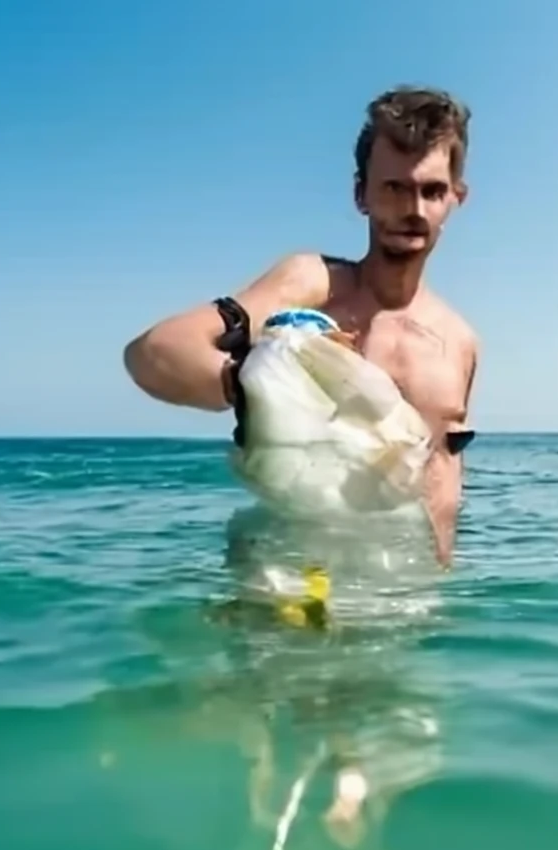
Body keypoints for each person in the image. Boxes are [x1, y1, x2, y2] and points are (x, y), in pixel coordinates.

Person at [123, 86, 479, 568]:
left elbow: (443, 483)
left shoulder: (459, 343)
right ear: (361, 194)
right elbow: (155, 353)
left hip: (400, 595)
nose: (413, 210)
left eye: (432, 190)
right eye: (394, 187)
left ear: (456, 197)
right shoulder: (313, 284)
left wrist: (438, 590)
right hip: (287, 579)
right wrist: (263, 387)